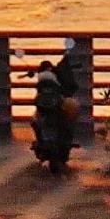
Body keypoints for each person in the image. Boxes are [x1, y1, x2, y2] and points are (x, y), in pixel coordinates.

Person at [32, 45, 80, 175]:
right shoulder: (56, 84)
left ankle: (52, 145)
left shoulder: (45, 85)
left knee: (35, 119)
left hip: (52, 111)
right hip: (53, 112)